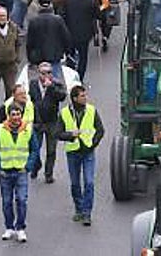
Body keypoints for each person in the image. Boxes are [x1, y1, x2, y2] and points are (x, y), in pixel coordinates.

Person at [0, 102, 40, 242]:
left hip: (21, 171)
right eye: (13, 114)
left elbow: (34, 149)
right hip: (5, 172)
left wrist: (28, 166)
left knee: (22, 200)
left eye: (18, 114)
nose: (16, 117)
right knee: (7, 201)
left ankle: (20, 228)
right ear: (8, 115)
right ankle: (9, 227)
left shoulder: (28, 130)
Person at [57, 85, 104, 225]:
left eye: (85, 95)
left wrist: (93, 144)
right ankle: (79, 208)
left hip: (88, 152)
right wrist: (70, 135)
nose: (85, 98)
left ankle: (87, 213)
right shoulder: (65, 113)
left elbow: (100, 130)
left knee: (89, 182)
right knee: (75, 183)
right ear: (75, 98)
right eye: (82, 96)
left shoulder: (91, 110)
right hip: (73, 152)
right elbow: (58, 134)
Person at [29, 61, 66, 183]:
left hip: (52, 121)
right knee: (35, 148)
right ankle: (35, 166)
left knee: (51, 150)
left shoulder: (56, 84)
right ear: (38, 73)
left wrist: (51, 87)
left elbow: (62, 96)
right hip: (38, 122)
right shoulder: (33, 84)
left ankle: (48, 174)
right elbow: (29, 100)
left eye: (49, 72)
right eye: (43, 73)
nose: (46, 75)